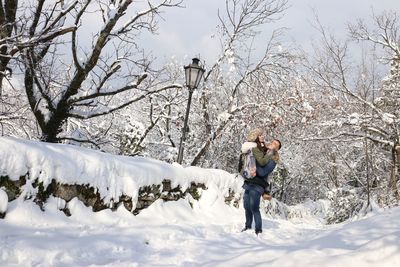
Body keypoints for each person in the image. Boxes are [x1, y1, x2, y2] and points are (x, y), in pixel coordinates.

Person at [240, 128, 281, 235]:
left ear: (277, 149)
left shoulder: (273, 159)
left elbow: (263, 172)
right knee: (246, 206)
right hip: (249, 181)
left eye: (275, 144)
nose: (272, 143)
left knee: (254, 207)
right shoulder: (262, 150)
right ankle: (247, 226)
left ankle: (258, 229)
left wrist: (253, 165)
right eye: (272, 141)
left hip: (258, 185)